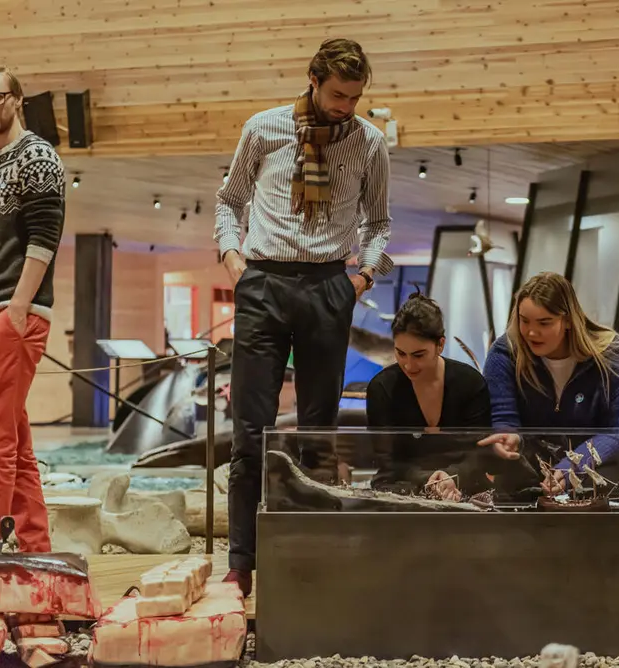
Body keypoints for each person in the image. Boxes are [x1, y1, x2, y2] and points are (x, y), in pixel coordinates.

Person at [214, 39, 392, 596]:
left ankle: (309, 548)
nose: (347, 106)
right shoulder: (263, 128)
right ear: (313, 79)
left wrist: (361, 279)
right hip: (262, 281)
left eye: (356, 97)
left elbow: (381, 223)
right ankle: (242, 561)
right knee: (250, 431)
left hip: (327, 287)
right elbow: (228, 200)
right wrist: (233, 259)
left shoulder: (369, 142)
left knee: (318, 431)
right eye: (339, 94)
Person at [479, 272, 619, 497]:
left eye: (544, 323)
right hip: (530, 466)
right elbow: (504, 418)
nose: (532, 332)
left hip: (594, 465)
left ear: (568, 321)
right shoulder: (504, 353)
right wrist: (508, 436)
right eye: (524, 321)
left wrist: (574, 465)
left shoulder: (610, 353)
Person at [0, 66, 65, 552]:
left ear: (17, 99)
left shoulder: (36, 155)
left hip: (14, 311)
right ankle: (35, 547)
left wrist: (19, 308)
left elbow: (44, 237)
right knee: (15, 442)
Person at [366, 291, 493, 501]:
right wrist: (432, 480)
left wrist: (453, 477)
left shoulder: (471, 383)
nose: (408, 364)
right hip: (402, 485)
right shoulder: (382, 389)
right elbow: (388, 463)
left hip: (467, 483)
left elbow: (480, 454)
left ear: (440, 345)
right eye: (400, 353)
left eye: (418, 355)